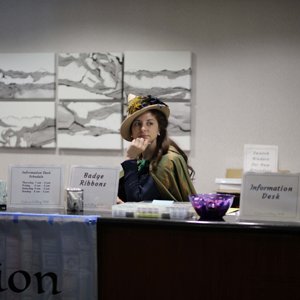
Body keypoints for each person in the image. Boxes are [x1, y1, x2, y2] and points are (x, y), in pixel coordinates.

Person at [117, 94, 196, 203]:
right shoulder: (140, 161)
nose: (143, 128)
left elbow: (138, 203)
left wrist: (130, 159)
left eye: (150, 123)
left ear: (159, 128)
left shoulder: (167, 161)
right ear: (131, 132)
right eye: (137, 124)